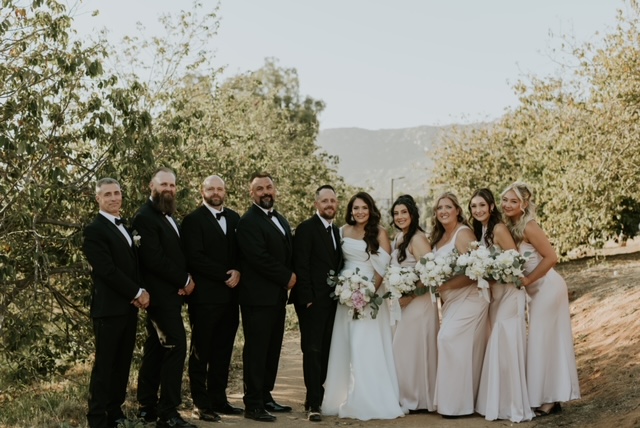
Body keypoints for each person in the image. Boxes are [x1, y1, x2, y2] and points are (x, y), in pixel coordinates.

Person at [323, 192, 406, 421]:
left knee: (364, 344)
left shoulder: (379, 232)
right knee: (345, 345)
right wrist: (346, 289)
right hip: (345, 295)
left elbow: (382, 267)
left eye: (364, 208)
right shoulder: (342, 231)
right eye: (356, 208)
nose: (360, 212)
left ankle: (369, 398)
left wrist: (368, 294)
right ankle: (343, 395)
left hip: (369, 295)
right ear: (350, 211)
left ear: (371, 210)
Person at [501, 182, 580, 417]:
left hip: (548, 288)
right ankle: (548, 396)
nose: (507, 205)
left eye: (514, 201)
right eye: (505, 200)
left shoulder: (530, 226)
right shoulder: (511, 227)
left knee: (545, 341)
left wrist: (528, 280)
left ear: (524, 204)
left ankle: (549, 399)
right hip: (536, 293)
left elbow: (551, 257)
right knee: (542, 341)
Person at [83, 178, 150, 428]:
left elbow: (133, 265)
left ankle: (115, 412)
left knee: (122, 363)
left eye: (117, 193)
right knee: (105, 366)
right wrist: (137, 292)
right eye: (107, 194)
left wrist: (140, 291)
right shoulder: (94, 230)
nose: (113, 198)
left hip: (128, 308)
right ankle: (97, 419)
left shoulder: (126, 226)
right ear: (98, 199)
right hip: (108, 309)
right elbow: (107, 270)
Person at [133, 167, 197, 428]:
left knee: (156, 349)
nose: (168, 189)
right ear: (152, 186)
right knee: (176, 346)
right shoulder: (144, 217)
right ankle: (168, 413)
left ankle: (147, 407)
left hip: (170, 293)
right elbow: (153, 259)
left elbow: (175, 254)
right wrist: (184, 280)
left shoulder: (168, 215)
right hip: (159, 297)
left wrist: (183, 280)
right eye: (164, 184)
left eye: (172, 185)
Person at [181, 175, 243, 422]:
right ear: (202, 191)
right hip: (204, 298)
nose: (216, 192)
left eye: (220, 188)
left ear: (225, 191)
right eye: (211, 189)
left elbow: (242, 252)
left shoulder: (235, 218)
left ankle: (219, 399)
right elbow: (194, 257)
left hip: (231, 297)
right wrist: (224, 274)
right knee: (201, 352)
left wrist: (238, 270)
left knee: (223, 351)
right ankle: (200, 403)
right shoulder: (192, 220)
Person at [470, 188, 534, 422]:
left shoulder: (498, 228)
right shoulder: (481, 231)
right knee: (499, 344)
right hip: (495, 296)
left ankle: (513, 404)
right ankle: (497, 402)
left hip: (509, 293)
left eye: (482, 205)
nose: (478, 210)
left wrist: (492, 273)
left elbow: (515, 262)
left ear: (491, 207)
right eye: (473, 206)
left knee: (505, 342)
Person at [236, 172, 296, 422]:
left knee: (272, 349)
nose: (265, 192)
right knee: (256, 351)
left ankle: (265, 396)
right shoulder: (248, 222)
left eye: (268, 187)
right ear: (252, 194)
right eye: (259, 189)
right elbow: (258, 258)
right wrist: (287, 276)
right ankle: (253, 404)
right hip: (257, 299)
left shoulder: (280, 219)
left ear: (275, 189)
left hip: (276, 297)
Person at [431, 192, 489, 418]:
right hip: (451, 301)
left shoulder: (463, 233)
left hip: (470, 297)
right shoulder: (439, 238)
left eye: (448, 207)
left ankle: (457, 404)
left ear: (457, 210)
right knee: (458, 346)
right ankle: (457, 403)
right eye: (439, 208)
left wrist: (444, 285)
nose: (443, 211)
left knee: (448, 339)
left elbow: (477, 271)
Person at [290, 185, 343, 422]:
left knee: (326, 350)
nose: (329, 205)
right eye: (325, 201)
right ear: (316, 204)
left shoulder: (337, 232)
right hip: (312, 302)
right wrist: (308, 299)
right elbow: (300, 264)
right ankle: (313, 403)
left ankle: (317, 395)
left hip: (333, 302)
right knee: (312, 350)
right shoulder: (306, 228)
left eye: (332, 201)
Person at [389, 195, 438, 414]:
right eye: (396, 213)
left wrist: (411, 294)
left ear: (412, 214)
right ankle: (409, 396)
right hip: (403, 302)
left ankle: (416, 399)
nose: (399, 217)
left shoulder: (417, 238)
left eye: (404, 212)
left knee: (408, 348)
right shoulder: (400, 237)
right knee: (405, 349)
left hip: (419, 301)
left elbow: (430, 273)